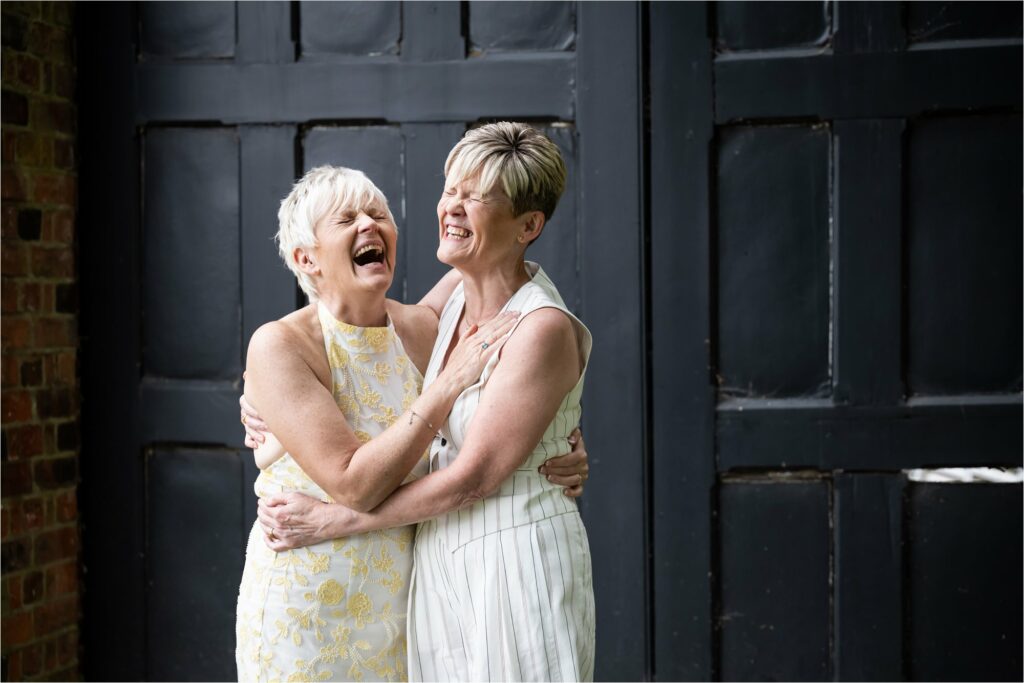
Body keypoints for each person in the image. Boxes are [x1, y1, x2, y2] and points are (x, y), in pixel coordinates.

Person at [254, 123, 595, 682]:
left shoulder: (536, 326)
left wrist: (333, 521)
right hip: (433, 562)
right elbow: (360, 358)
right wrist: (259, 398)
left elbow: (474, 477)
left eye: (477, 197)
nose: (453, 209)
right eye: (451, 189)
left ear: (529, 225)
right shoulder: (453, 303)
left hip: (510, 560)